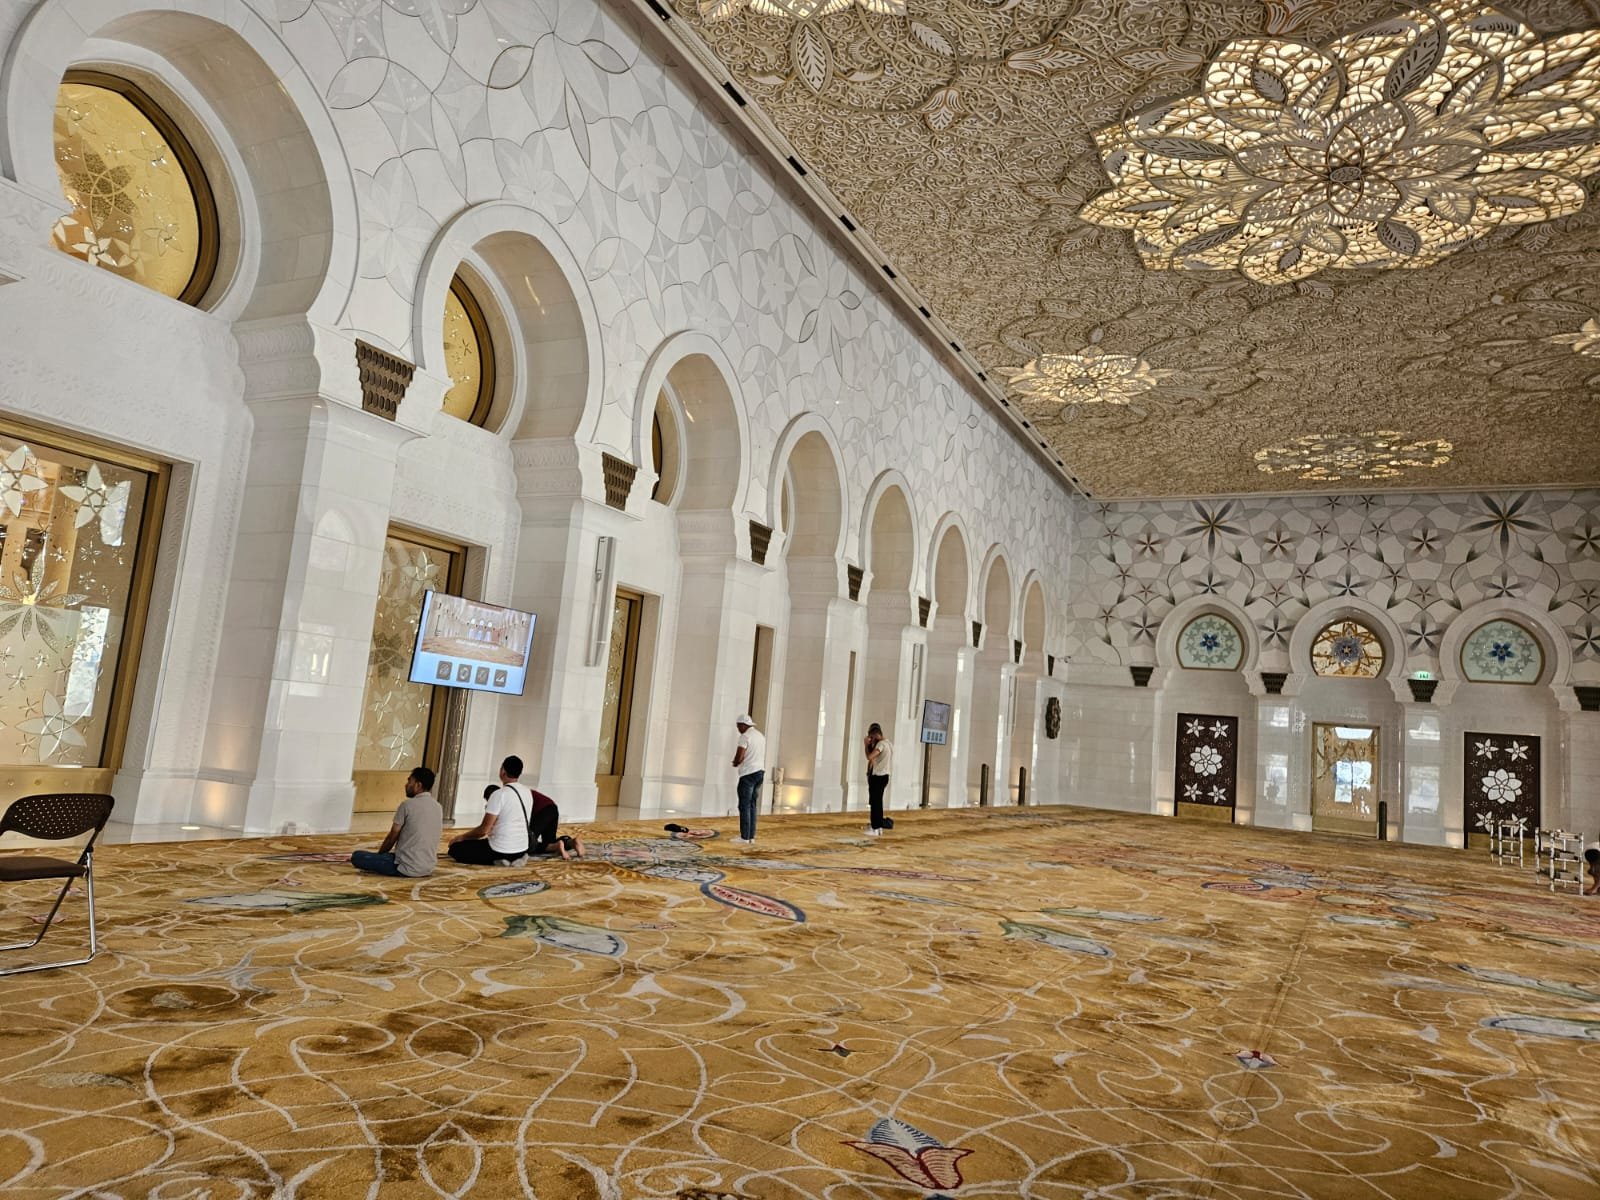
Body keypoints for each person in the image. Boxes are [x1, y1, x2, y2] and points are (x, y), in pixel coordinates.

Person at [350, 766, 443, 877]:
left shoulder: (407, 805)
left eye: (409, 781)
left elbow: (392, 837)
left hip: (405, 867)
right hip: (428, 867)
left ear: (418, 785)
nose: (406, 785)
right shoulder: (438, 806)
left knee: (357, 856)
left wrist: (380, 856)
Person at [448, 756, 532, 866]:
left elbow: (483, 830)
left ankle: (499, 860)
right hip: (521, 849)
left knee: (455, 849)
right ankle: (514, 860)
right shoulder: (528, 792)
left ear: (502, 771)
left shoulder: (499, 794)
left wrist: (462, 837)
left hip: (500, 849)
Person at [731, 714, 766, 845]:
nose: (738, 729)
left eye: (738, 726)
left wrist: (735, 762)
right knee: (752, 805)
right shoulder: (760, 736)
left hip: (748, 774)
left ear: (743, 725)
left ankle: (744, 837)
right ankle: (751, 836)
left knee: (744, 805)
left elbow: (740, 755)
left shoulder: (745, 737)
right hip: (760, 772)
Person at [863, 722, 894, 837]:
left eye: (871, 736)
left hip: (878, 777)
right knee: (877, 802)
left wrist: (866, 745)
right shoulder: (889, 743)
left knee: (875, 803)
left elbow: (869, 757)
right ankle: (878, 826)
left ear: (875, 734)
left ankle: (875, 827)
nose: (870, 739)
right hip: (884, 776)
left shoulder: (880, 745)